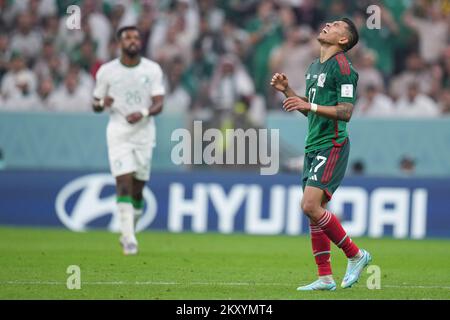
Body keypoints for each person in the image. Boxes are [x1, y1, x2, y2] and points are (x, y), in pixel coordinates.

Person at [270, 18, 371, 291]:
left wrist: (310, 105)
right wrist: (288, 92)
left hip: (333, 143)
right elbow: (310, 108)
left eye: (337, 25)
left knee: (310, 206)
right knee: (315, 211)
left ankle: (356, 254)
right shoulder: (315, 66)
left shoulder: (344, 68)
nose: (328, 23)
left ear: (343, 41)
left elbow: (345, 112)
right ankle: (325, 277)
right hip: (313, 143)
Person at [92, 26, 165, 255]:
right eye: (127, 38)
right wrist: (102, 103)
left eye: (136, 37)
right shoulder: (107, 71)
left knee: (138, 190)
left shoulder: (152, 69)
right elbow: (95, 104)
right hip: (119, 132)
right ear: (119, 43)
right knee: (123, 182)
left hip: (144, 134)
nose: (133, 41)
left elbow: (159, 103)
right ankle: (130, 240)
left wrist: (142, 113)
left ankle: (129, 231)